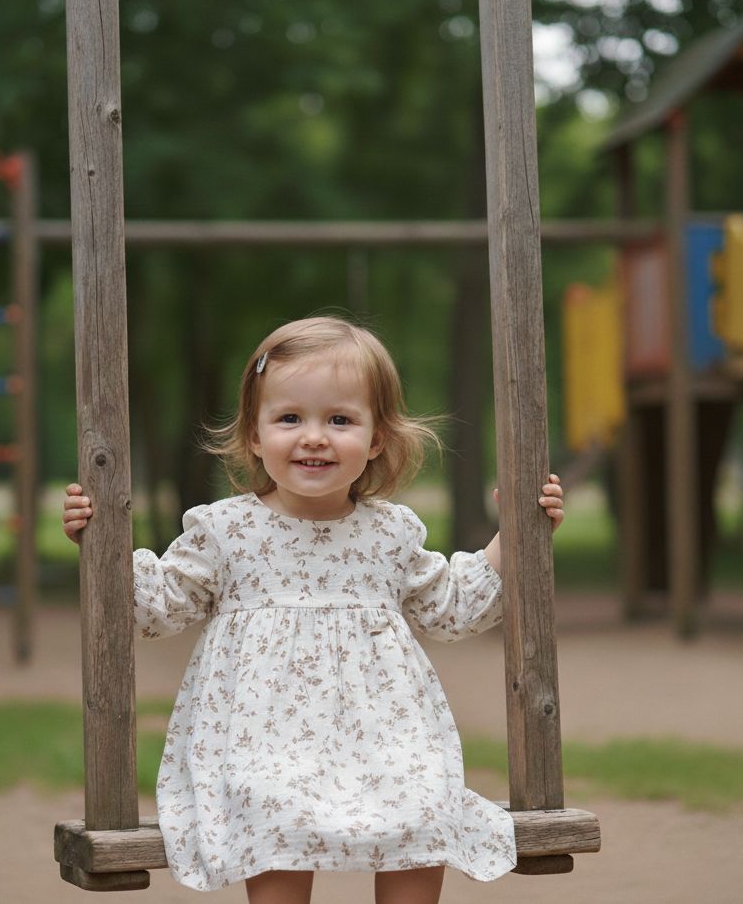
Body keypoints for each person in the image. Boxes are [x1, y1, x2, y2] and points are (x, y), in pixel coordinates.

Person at [62, 316, 564, 903]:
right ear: (255, 434)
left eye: (340, 420)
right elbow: (158, 605)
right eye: (290, 418)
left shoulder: (390, 534)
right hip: (264, 747)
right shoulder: (227, 531)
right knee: (272, 814)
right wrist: (100, 549)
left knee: (428, 807)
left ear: (376, 438)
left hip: (385, 742)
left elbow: (451, 607)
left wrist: (515, 537)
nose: (314, 437)